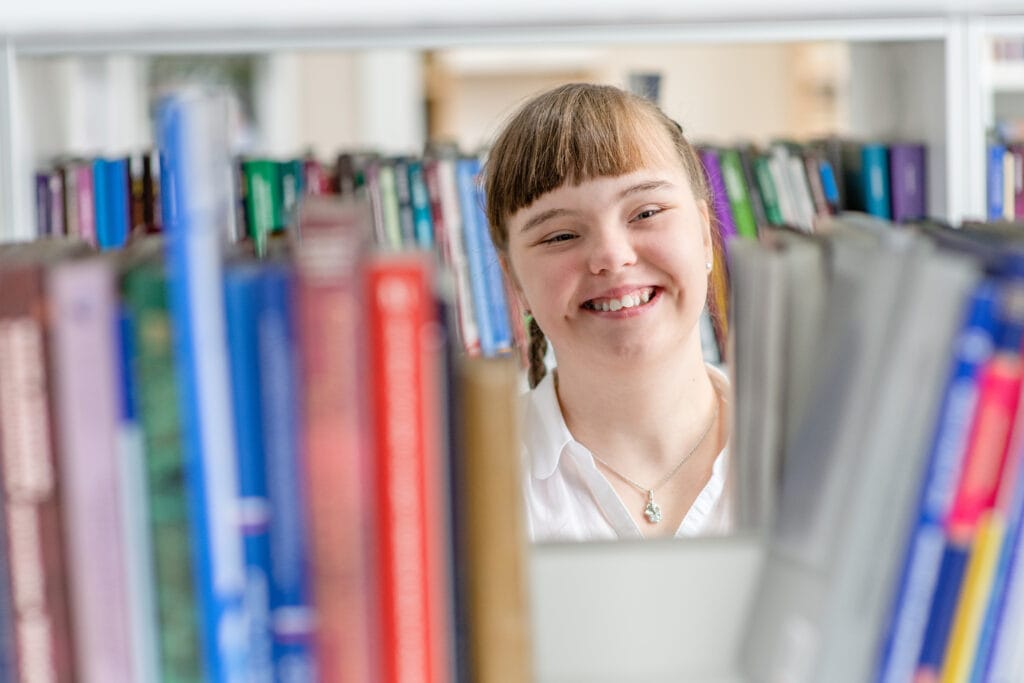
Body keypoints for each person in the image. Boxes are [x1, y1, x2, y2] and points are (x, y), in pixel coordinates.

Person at [483, 82, 732, 542]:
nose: (612, 257)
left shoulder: (811, 455)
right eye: (559, 236)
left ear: (703, 234)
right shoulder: (464, 485)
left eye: (646, 212)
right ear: (513, 280)